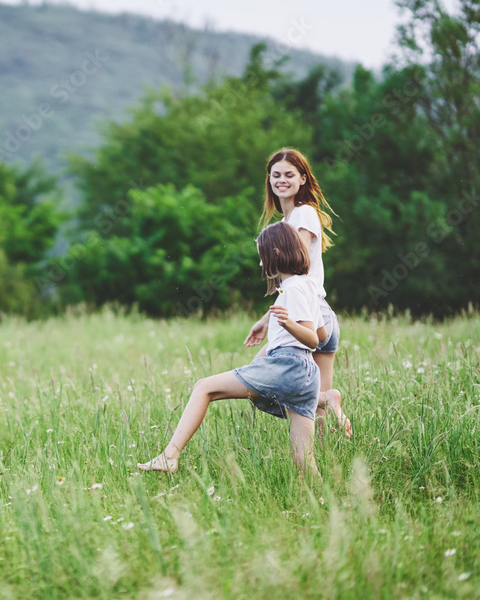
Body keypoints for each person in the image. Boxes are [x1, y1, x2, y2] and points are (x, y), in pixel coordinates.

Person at [139, 222, 346, 478]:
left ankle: (170, 456)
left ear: (277, 254)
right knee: (304, 460)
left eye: (263, 257)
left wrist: (288, 323)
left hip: (288, 365)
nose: (261, 265)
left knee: (204, 387)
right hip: (306, 374)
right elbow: (324, 334)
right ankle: (322, 502)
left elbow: (314, 340)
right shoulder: (306, 286)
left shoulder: (292, 289)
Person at [244, 148, 351, 437]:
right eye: (276, 175)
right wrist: (268, 319)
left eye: (289, 175)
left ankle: (323, 404)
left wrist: (269, 319)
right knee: (316, 411)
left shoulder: (303, 213)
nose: (282, 180)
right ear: (268, 179)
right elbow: (291, 283)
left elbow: (298, 272)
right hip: (317, 315)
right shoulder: (282, 224)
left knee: (255, 386)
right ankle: (327, 406)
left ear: (303, 178)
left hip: (308, 315)